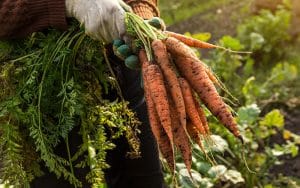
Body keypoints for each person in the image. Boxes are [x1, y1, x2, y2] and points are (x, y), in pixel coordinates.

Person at [0, 0, 166, 187]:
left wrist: (138, 15)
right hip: (34, 80)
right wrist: (68, 4)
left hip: (116, 54)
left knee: (144, 177)